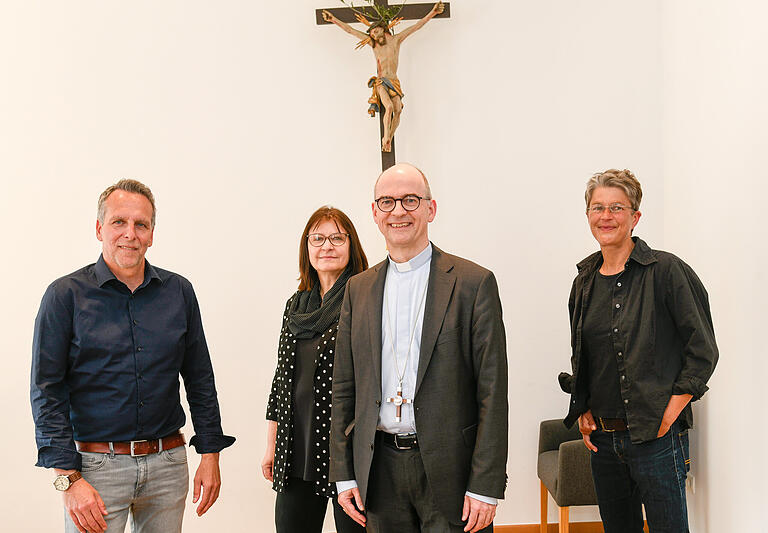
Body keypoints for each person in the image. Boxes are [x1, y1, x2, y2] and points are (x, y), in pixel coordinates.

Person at [30, 179, 235, 533]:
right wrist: (68, 478)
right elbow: (46, 390)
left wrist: (210, 453)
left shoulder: (179, 292)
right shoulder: (65, 296)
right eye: (118, 222)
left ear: (152, 233)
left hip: (168, 465)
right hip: (94, 469)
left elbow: (200, 377)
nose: (130, 233)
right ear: (99, 229)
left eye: (141, 224)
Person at [329, 163, 508, 533]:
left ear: (431, 208)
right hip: (379, 471)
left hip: (451, 471)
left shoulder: (473, 284)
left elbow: (492, 392)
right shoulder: (358, 289)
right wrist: (344, 474)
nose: (399, 211)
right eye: (387, 202)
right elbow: (344, 388)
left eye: (411, 200)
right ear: (375, 213)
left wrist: (486, 485)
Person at [562, 169, 718, 532]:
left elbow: (703, 348)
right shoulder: (583, 282)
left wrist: (671, 411)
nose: (606, 216)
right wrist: (582, 407)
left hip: (657, 439)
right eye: (597, 207)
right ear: (588, 216)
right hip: (603, 441)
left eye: (617, 207)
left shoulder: (667, 271)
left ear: (635, 217)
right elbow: (583, 354)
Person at [263, 206, 368, 533]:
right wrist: (272, 444)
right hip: (296, 446)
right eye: (318, 238)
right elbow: (281, 380)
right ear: (306, 247)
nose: (327, 246)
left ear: (351, 246)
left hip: (344, 448)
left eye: (337, 238)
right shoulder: (296, 305)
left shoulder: (364, 298)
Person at [322, 2, 444, 152]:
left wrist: (433, 13)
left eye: (375, 31)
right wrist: (333, 19)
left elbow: (416, 26)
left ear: (383, 28)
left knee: (398, 110)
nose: (373, 34)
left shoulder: (396, 40)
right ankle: (386, 137)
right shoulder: (373, 44)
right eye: (371, 33)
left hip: (394, 81)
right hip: (381, 82)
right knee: (390, 107)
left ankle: (389, 138)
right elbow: (350, 30)